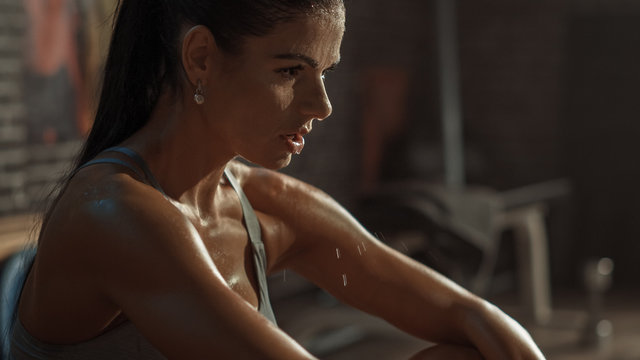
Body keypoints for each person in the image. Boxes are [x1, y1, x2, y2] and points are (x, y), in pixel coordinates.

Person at [10, 0, 546, 359]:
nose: (323, 106)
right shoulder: (113, 213)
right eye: (291, 71)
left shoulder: (265, 206)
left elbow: (471, 314)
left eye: (325, 72)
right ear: (201, 58)